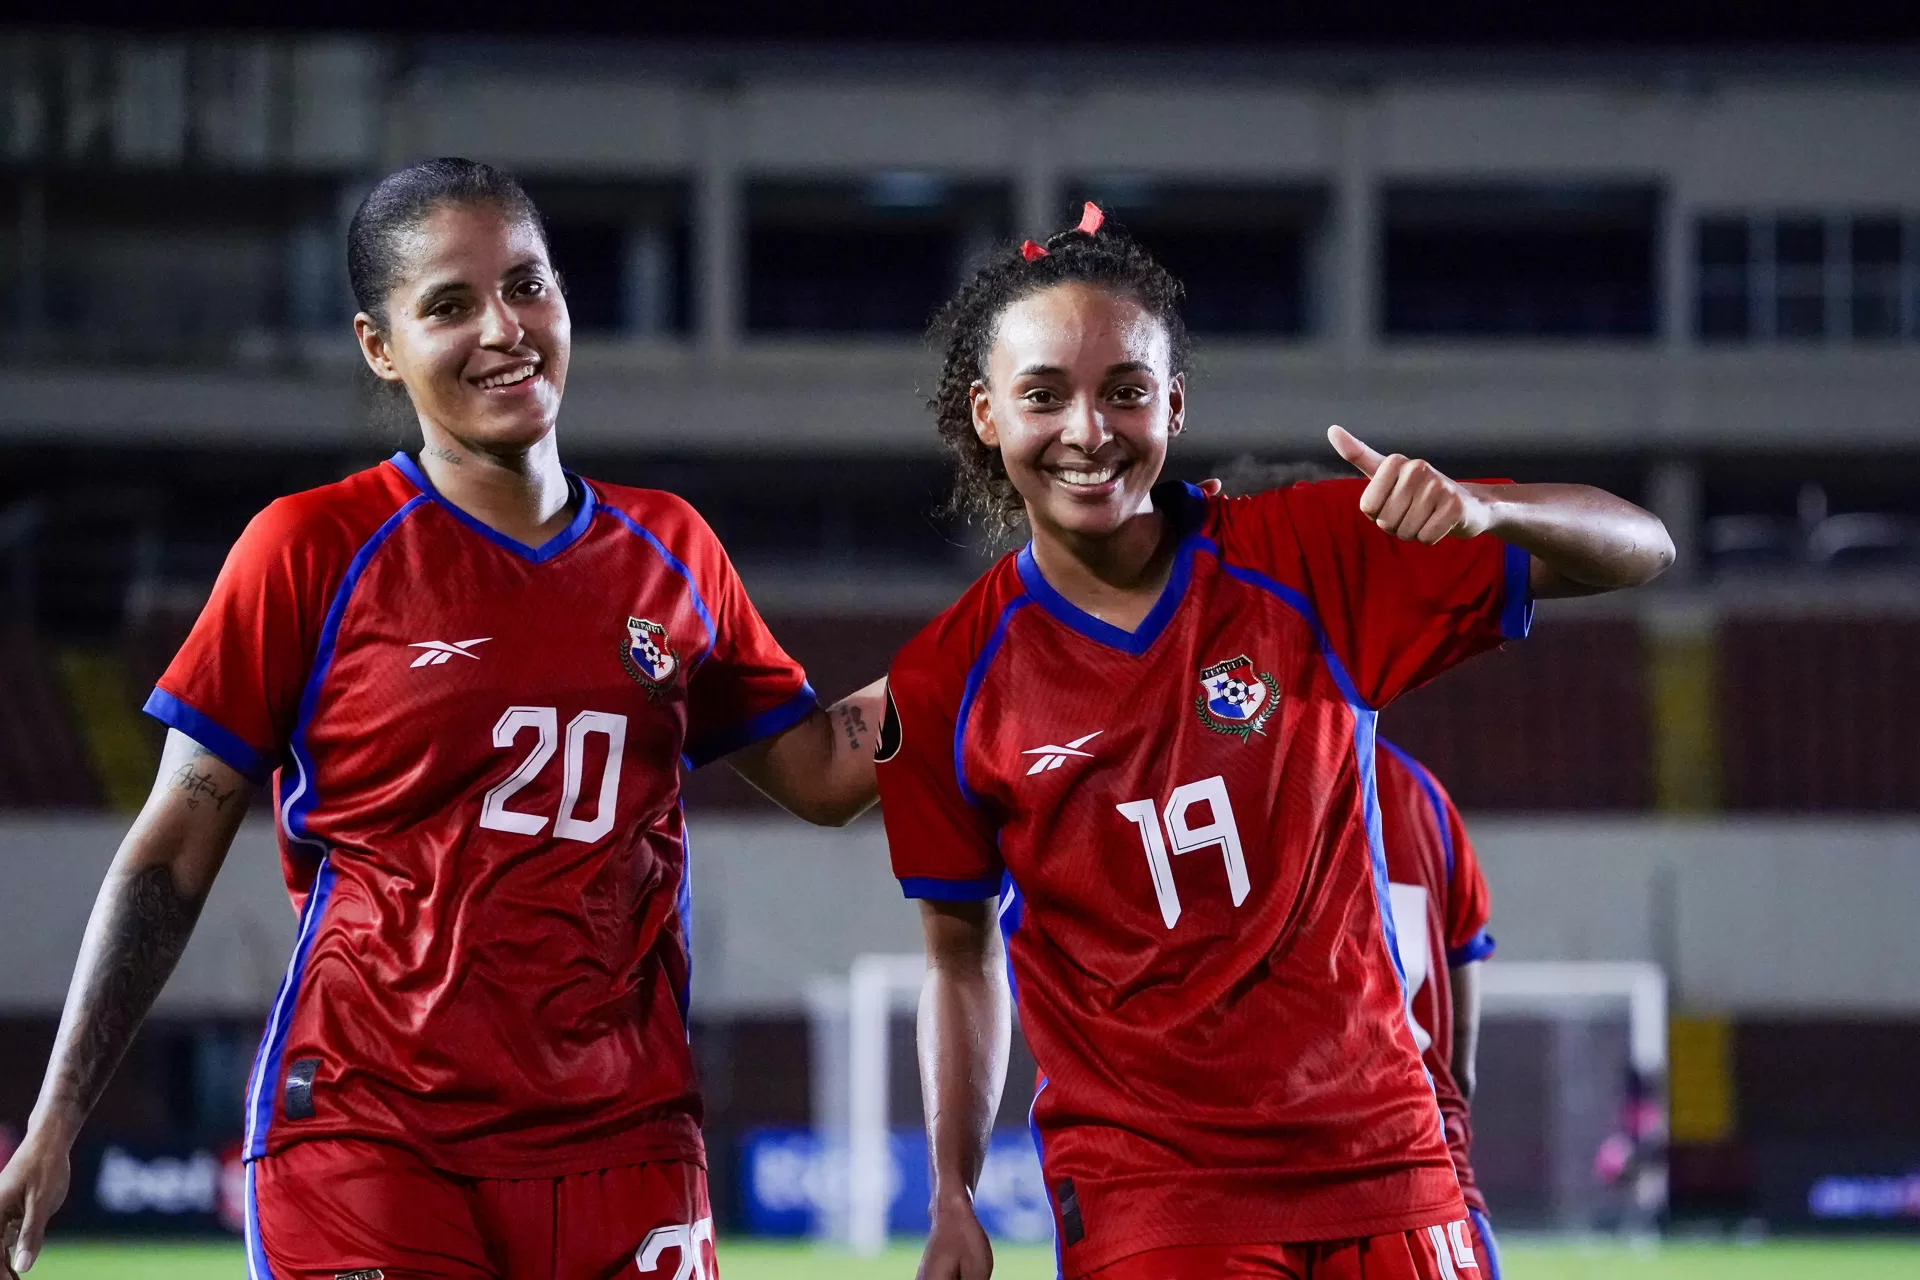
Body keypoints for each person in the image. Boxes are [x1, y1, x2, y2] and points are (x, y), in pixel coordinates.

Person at [0, 158, 882, 1280]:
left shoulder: (673, 550)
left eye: (527, 284)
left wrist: (984, 649)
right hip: (372, 1135)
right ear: (381, 345)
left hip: (630, 1137)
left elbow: (821, 772)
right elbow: (168, 855)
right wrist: (57, 1117)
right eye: (451, 304)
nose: (505, 328)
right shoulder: (310, 549)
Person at [878, 205, 1673, 1280]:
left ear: (1176, 400)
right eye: (1043, 394)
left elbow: (1643, 546)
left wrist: (1492, 513)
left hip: (1388, 1160)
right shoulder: (945, 682)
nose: (1088, 428)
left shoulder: (1306, 554)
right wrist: (951, 1193)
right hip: (1153, 1195)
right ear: (984, 413)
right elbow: (960, 960)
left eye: (1125, 389)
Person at [1221, 463, 1505, 1277]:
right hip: (1429, 1182)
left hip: (1261, 1192)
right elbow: (1462, 1048)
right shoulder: (1425, 802)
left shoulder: (1199, 782)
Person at [1375, 740, 1501, 1280]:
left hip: (1294, 1165)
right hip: (1429, 1153)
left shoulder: (1251, 769)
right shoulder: (1420, 791)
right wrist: (1460, 1072)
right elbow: (1466, 947)